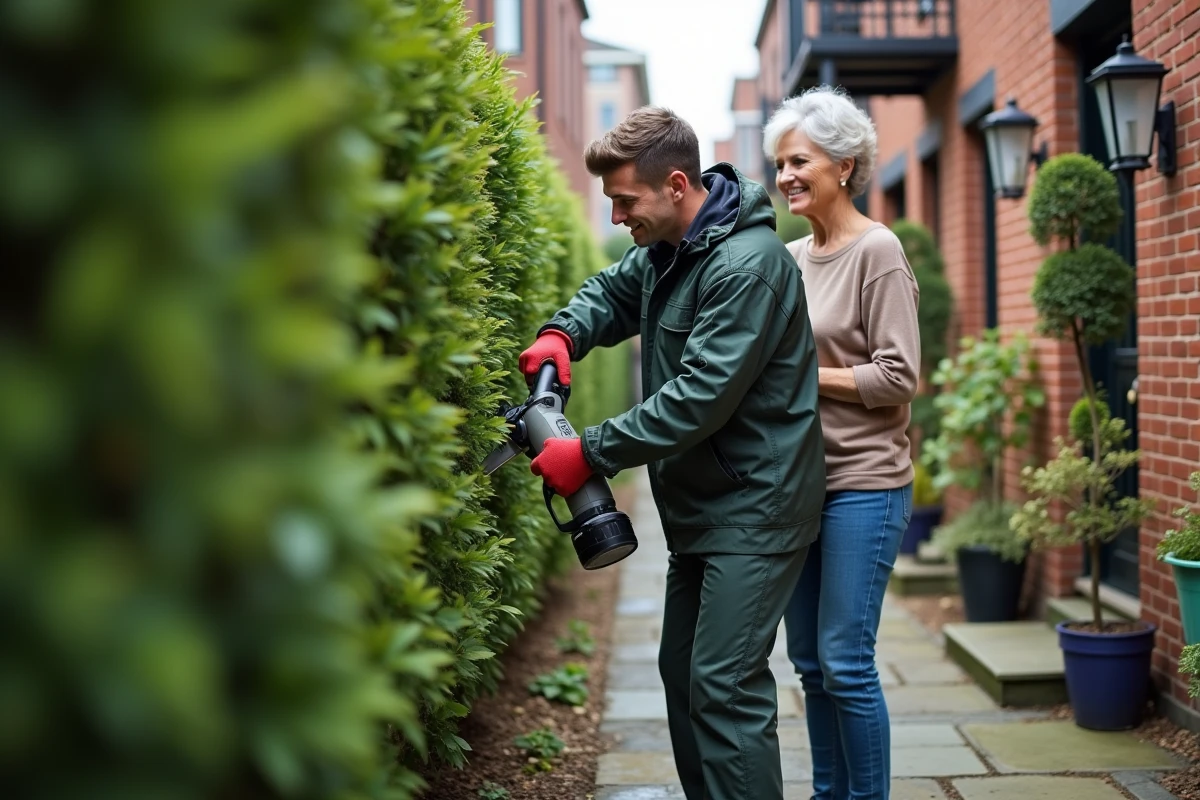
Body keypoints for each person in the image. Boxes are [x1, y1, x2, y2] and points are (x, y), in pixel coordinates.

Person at [517, 106, 825, 800]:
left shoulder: (747, 266)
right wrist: (562, 335)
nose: (619, 216)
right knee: (683, 671)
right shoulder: (670, 251)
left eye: (626, 201)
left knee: (723, 685)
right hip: (704, 503)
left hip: (757, 504)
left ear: (676, 184)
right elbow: (611, 290)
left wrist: (590, 452)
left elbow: (698, 398)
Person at [763, 86, 921, 800]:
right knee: (809, 664)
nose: (785, 175)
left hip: (866, 483)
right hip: (800, 487)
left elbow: (899, 375)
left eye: (799, 161)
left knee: (846, 660)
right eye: (779, 164)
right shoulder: (790, 257)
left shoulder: (878, 250)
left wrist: (803, 376)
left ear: (846, 165)